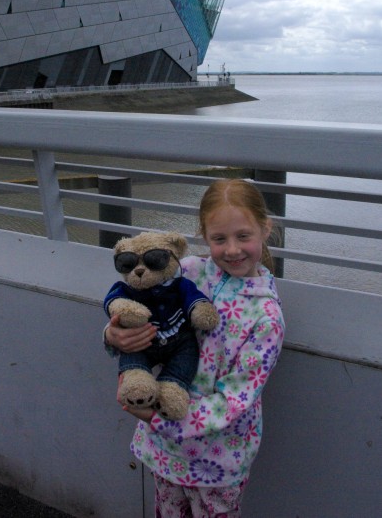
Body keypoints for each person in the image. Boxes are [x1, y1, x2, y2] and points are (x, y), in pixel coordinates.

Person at [104, 178, 285, 517]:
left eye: (243, 236)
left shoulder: (266, 318)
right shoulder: (184, 272)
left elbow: (234, 401)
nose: (232, 250)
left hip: (217, 461)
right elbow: (134, 308)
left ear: (265, 229)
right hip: (166, 451)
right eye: (219, 239)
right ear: (204, 236)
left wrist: (159, 419)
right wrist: (114, 336)